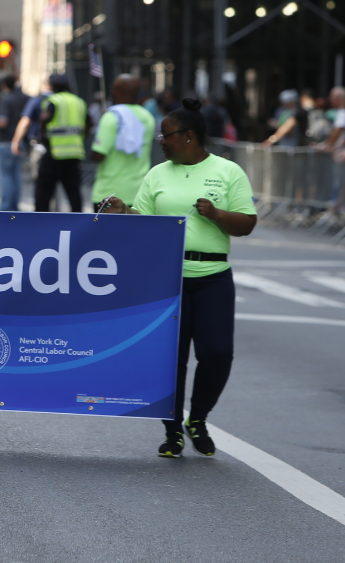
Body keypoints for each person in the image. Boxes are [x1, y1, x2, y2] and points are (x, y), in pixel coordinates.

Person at [101, 98, 257, 458]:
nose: (160, 141)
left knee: (217, 353)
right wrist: (124, 211)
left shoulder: (228, 171)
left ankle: (198, 419)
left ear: (188, 136)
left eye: (166, 135)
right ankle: (172, 431)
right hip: (168, 278)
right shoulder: (158, 174)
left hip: (213, 275)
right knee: (170, 359)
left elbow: (247, 223)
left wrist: (217, 214)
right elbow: (143, 220)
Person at [90, 74, 156, 211]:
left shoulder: (111, 117)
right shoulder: (148, 117)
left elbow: (98, 154)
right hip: (138, 194)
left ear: (117, 91)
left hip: (108, 195)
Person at [35, 73, 89, 212]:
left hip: (55, 152)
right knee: (73, 191)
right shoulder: (79, 101)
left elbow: (44, 119)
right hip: (74, 153)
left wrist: (42, 137)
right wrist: (80, 137)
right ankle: (77, 220)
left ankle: (39, 221)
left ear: (52, 86)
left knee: (44, 190)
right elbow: (89, 122)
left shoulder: (53, 100)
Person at [0, 76, 29, 211]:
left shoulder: (6, 100)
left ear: (4, 85)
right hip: (20, 141)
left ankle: (5, 207)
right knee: (16, 176)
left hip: (6, 141)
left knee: (5, 176)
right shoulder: (23, 98)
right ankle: (14, 206)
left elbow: (3, 122)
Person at [315, 86, 345, 153]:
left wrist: (326, 146)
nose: (330, 101)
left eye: (332, 98)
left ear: (340, 99)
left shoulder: (344, 112)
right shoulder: (342, 111)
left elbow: (338, 130)